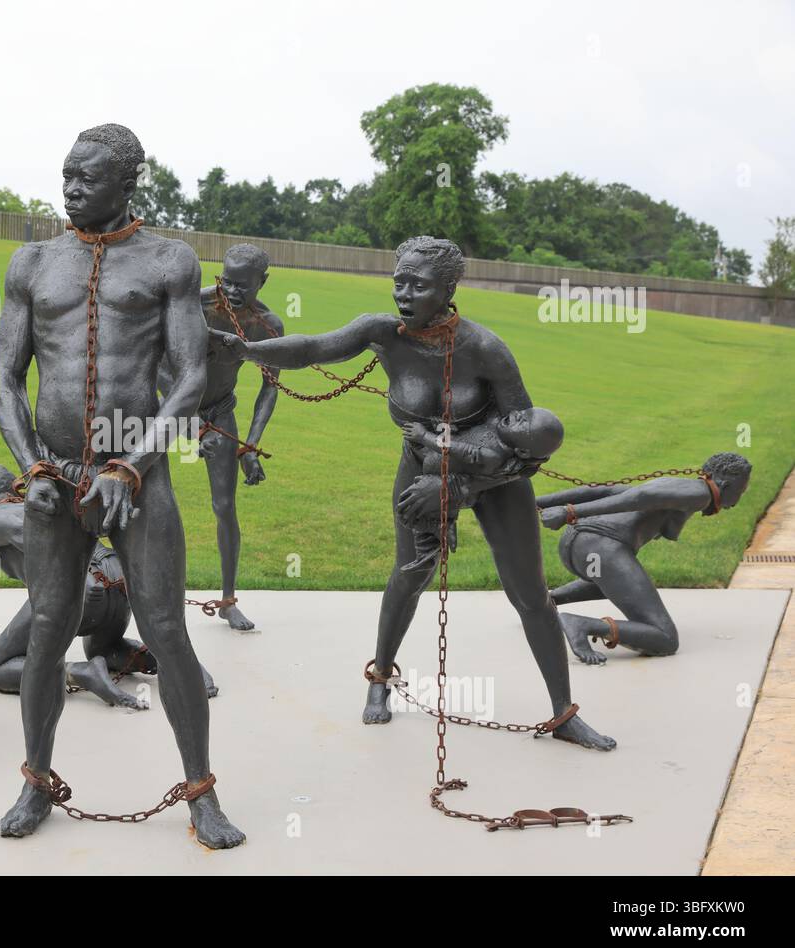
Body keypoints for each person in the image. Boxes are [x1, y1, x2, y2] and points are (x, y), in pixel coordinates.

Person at [210, 236, 616, 750]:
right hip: (420, 468)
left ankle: (564, 713)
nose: (403, 293)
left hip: (492, 477)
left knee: (531, 594)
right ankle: (380, 679)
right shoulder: (382, 333)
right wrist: (246, 349)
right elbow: (314, 348)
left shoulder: (485, 349)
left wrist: (458, 483)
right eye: (399, 280)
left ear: (449, 289)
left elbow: (528, 446)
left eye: (418, 284)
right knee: (409, 574)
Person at [0, 123, 245, 848]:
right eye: (65, 174)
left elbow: (191, 376)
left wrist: (132, 464)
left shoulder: (169, 261)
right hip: (58, 474)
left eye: (86, 178)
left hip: (140, 474)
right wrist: (33, 464)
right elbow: (7, 377)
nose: (70, 187)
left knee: (167, 629)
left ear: (127, 182)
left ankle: (201, 793)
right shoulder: (33, 262)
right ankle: (36, 780)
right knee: (46, 628)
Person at [0, 464, 222, 708]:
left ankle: (78, 672)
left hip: (81, 588)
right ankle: (180, 665)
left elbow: (40, 538)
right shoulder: (45, 502)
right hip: (118, 581)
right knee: (103, 650)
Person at [159, 243, 282, 630]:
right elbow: (151, 363)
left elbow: (270, 388)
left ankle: (228, 601)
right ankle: (142, 593)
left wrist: (249, 445)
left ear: (262, 282)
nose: (230, 290)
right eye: (226, 280)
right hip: (166, 405)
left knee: (224, 507)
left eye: (242, 285)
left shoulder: (267, 326)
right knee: (149, 498)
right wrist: (189, 421)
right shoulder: (192, 305)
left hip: (219, 410)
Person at [538, 452, 752, 663]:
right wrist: (570, 512)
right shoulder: (700, 494)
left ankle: (548, 603)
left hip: (579, 546)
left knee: (626, 585)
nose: (737, 501)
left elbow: (607, 491)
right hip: (600, 546)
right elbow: (639, 497)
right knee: (665, 638)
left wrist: (538, 503)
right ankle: (581, 624)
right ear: (724, 484)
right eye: (741, 491)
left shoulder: (679, 486)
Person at [399, 406, 564, 571]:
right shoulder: (496, 424)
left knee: (408, 509)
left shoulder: (494, 456)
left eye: (521, 421)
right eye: (521, 413)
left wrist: (424, 436)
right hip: (431, 460)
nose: (514, 414)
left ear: (522, 452)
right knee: (417, 504)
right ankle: (434, 538)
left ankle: (432, 539)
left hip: (443, 474)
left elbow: (456, 449)